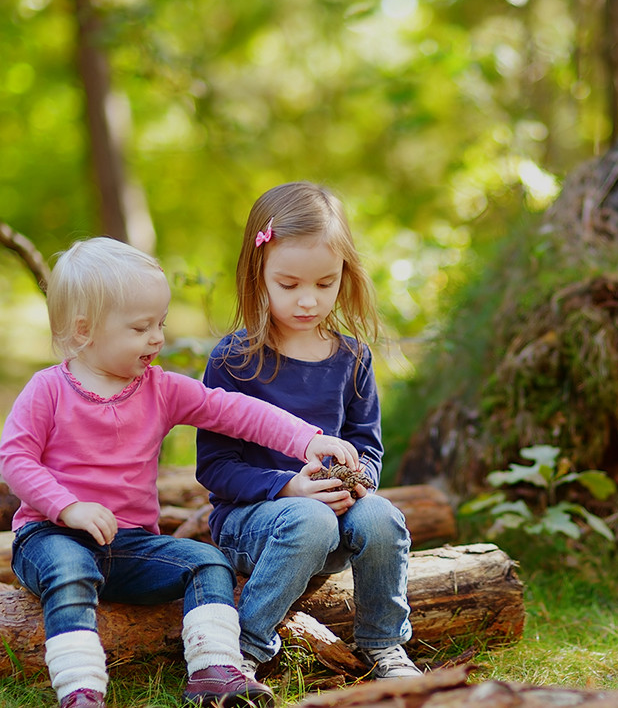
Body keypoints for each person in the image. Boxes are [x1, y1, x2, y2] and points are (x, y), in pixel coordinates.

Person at [0, 236, 359, 708]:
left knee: (208, 561)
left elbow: (235, 411)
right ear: (85, 331)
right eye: (140, 328)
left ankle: (214, 669)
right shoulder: (48, 389)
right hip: (50, 536)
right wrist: (67, 507)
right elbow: (15, 459)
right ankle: (81, 689)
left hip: (129, 546)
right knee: (70, 570)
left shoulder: (160, 388)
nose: (157, 338)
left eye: (161, 323)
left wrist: (306, 439)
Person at [196, 182, 422, 682]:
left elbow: (367, 444)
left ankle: (384, 644)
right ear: (259, 276)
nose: (308, 300)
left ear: (345, 275)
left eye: (325, 283)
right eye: (290, 283)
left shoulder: (352, 358)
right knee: (309, 519)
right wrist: (291, 487)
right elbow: (214, 468)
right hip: (252, 524)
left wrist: (355, 480)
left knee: (383, 516)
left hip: (333, 518)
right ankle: (245, 649)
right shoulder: (235, 360)